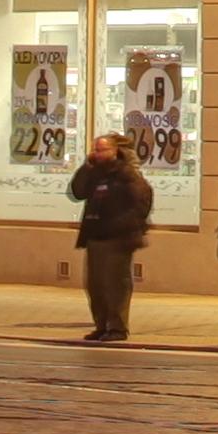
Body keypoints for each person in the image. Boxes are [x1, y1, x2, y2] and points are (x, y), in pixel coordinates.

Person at [70, 129, 152, 341]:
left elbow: (142, 201)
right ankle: (101, 324)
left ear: (115, 151)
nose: (97, 153)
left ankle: (117, 327)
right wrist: (87, 166)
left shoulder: (126, 173)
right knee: (95, 285)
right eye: (95, 150)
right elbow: (77, 192)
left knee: (115, 284)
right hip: (95, 235)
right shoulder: (95, 173)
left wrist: (127, 225)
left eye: (102, 150)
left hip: (118, 238)